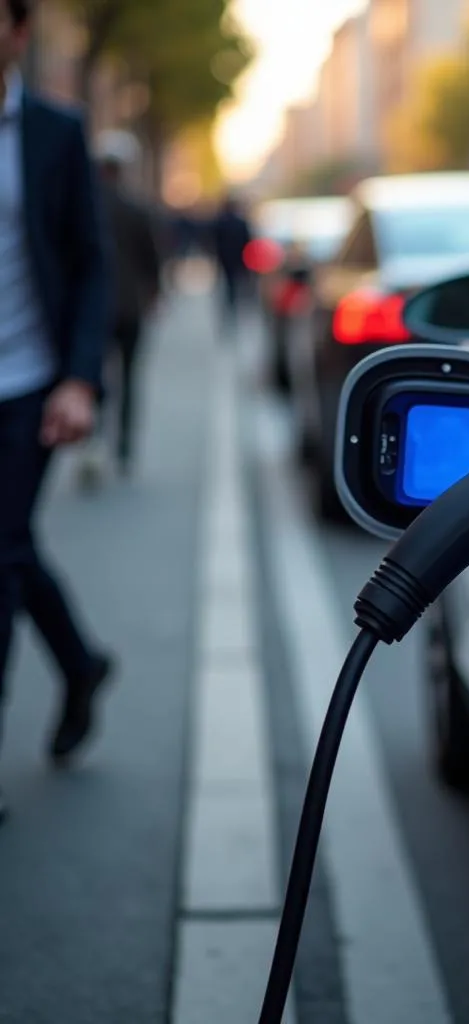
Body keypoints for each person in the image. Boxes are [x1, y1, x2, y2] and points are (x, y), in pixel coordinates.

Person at [0, 0, 115, 819]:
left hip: (27, 385)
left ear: (16, 31)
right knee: (7, 547)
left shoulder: (53, 133)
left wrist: (79, 380)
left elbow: (91, 265)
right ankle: (78, 662)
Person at [77, 129, 161, 485]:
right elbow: (152, 260)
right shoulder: (135, 208)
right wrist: (154, 296)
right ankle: (123, 449)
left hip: (96, 311)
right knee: (129, 378)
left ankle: (94, 444)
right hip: (130, 308)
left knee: (95, 378)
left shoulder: (87, 208)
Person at [211, 192, 252, 332]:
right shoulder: (241, 223)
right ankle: (235, 305)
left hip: (226, 258)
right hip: (238, 259)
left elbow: (215, 242)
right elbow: (247, 242)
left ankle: (231, 305)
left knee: (231, 284)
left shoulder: (220, 222)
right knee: (237, 283)